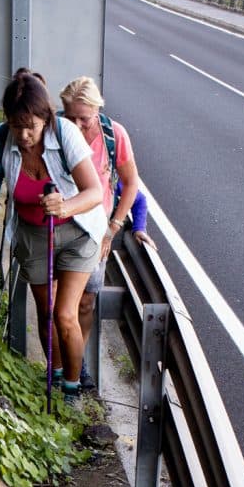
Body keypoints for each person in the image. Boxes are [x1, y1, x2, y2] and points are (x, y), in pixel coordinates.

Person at [0, 68, 105, 402]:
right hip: (33, 236)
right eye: (17, 126)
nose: (24, 135)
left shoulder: (66, 133)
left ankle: (72, 391)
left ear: (46, 118)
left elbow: (95, 192)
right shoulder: (0, 138)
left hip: (78, 231)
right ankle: (55, 375)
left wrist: (65, 206)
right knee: (46, 313)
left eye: (32, 126)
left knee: (65, 314)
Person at [59, 76, 156, 390]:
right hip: (58, 224)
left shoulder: (114, 135)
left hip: (96, 232)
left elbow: (131, 184)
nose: (76, 125)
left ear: (97, 111)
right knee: (58, 305)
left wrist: (114, 228)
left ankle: (77, 362)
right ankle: (59, 367)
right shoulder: (55, 130)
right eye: (70, 117)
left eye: (84, 119)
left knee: (85, 302)